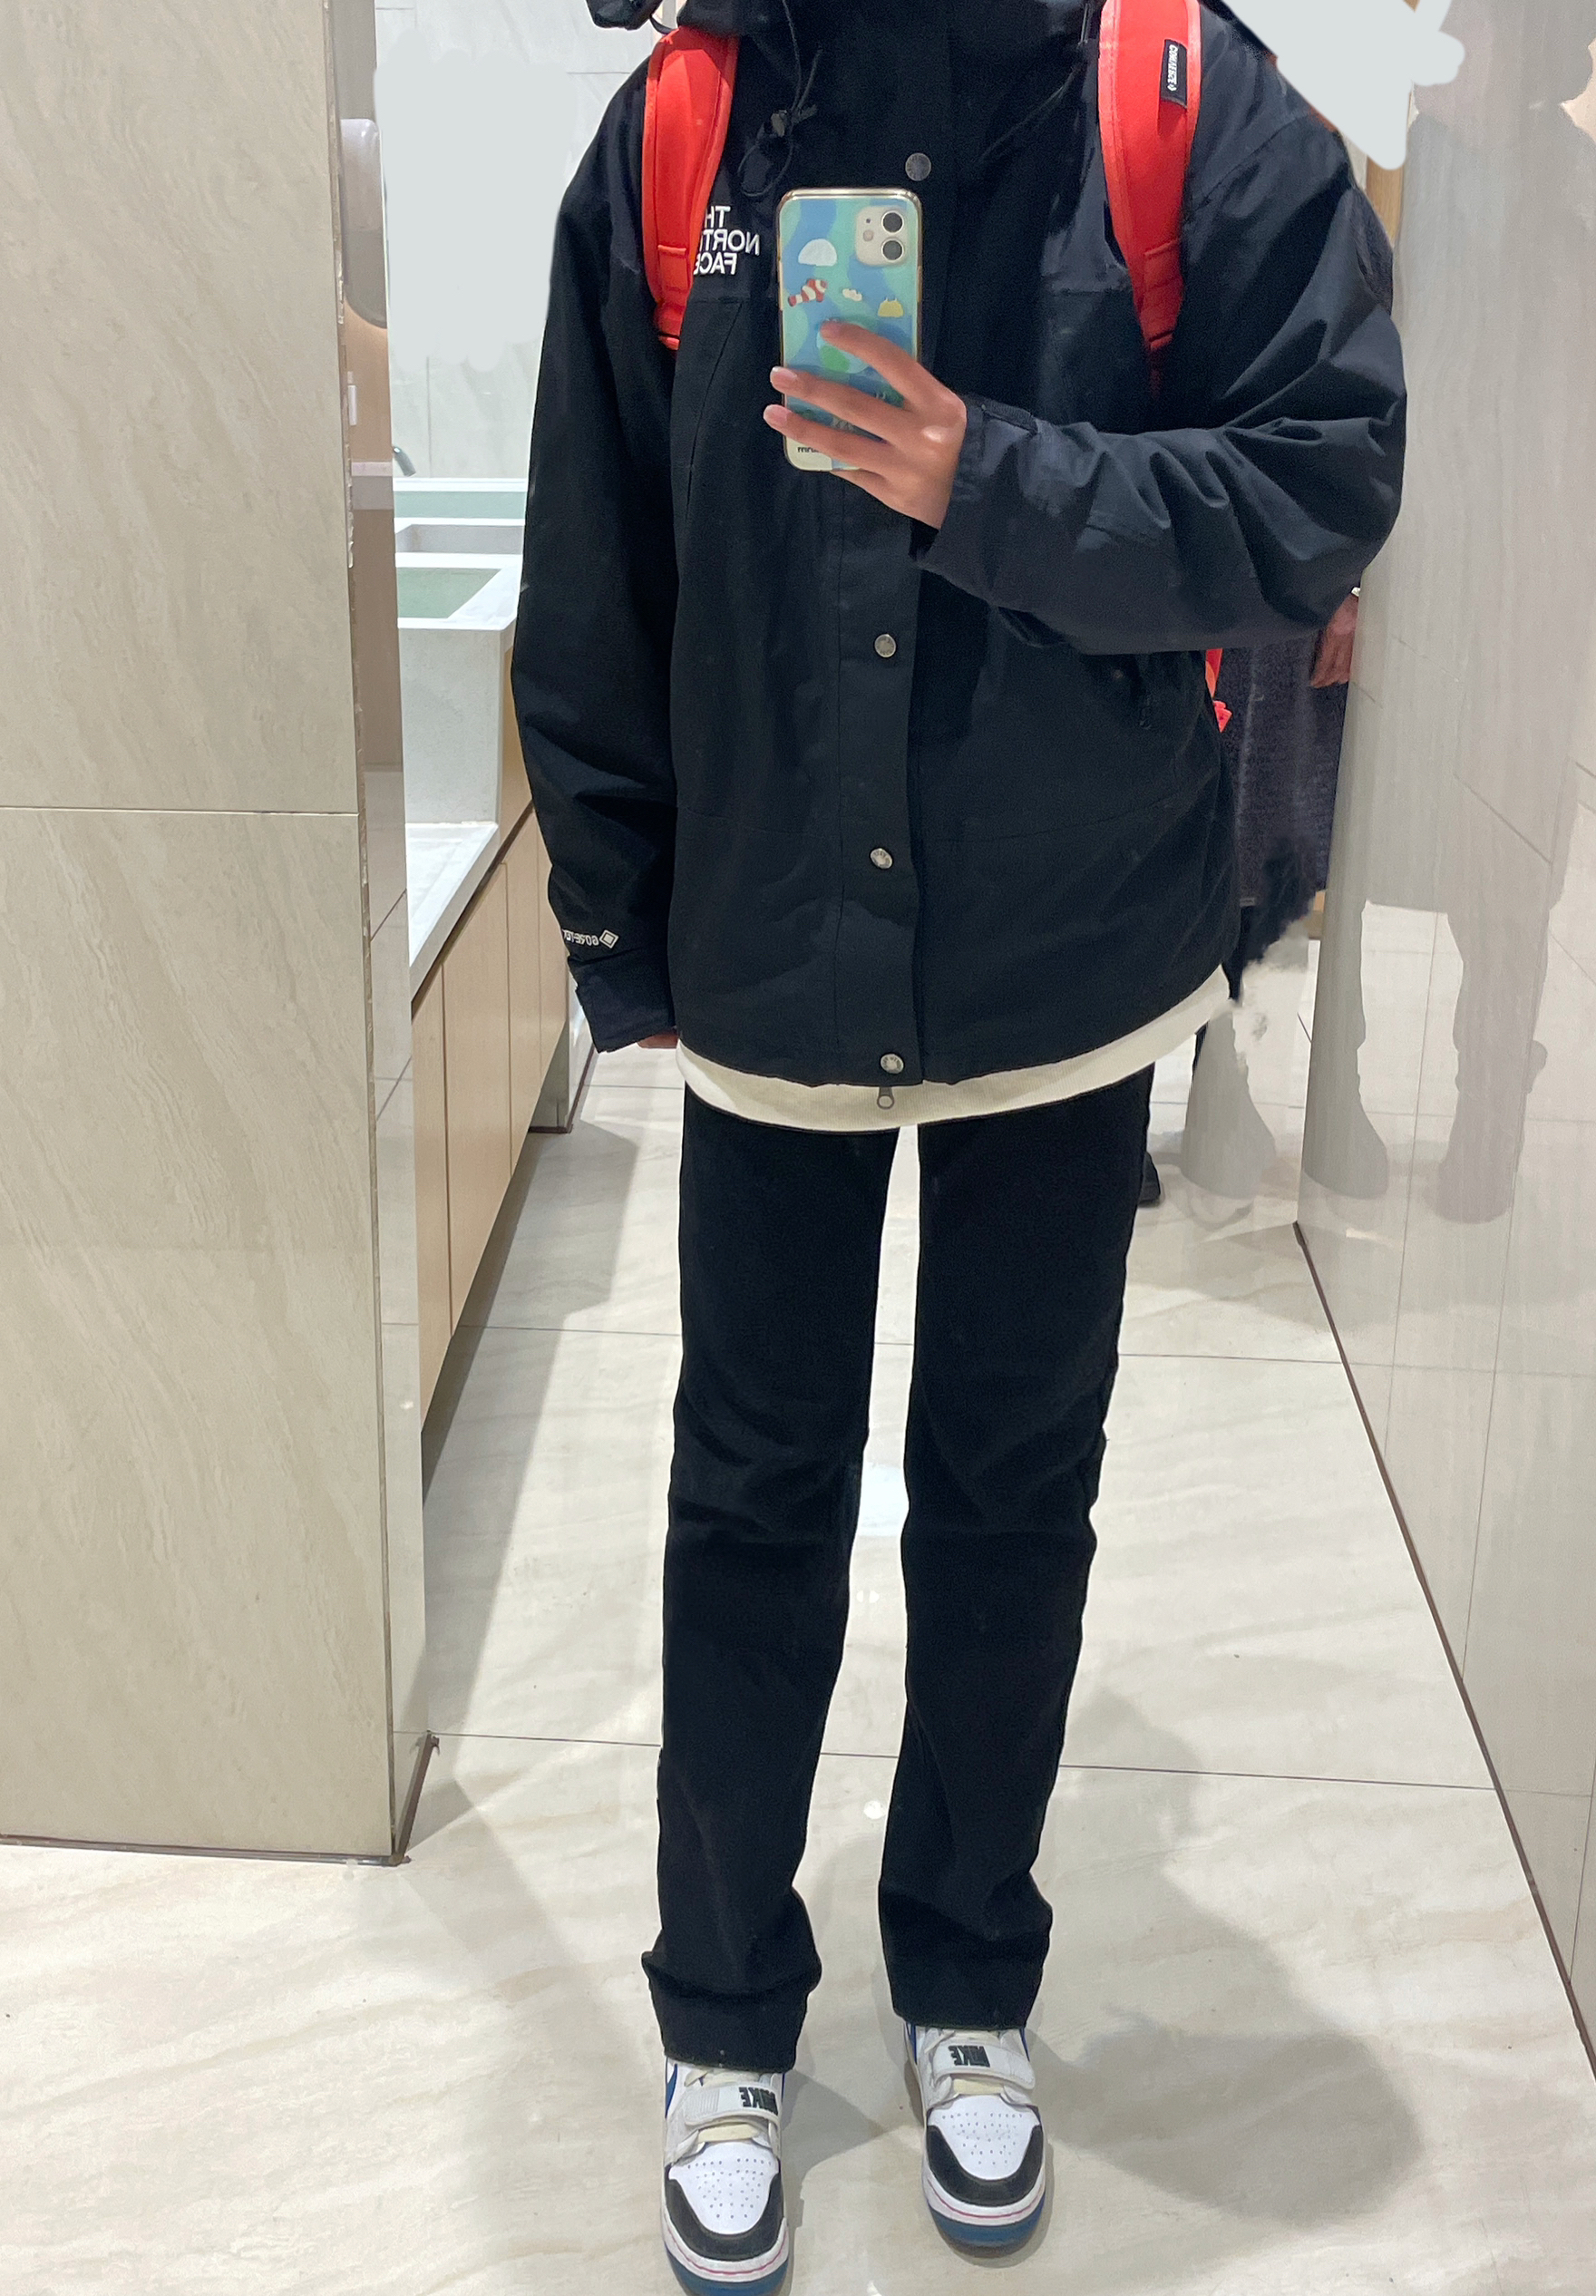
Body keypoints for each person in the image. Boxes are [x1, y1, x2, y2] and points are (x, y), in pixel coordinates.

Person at [513, 3, 1404, 2284]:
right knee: (752, 1499)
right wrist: (619, 912)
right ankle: (726, 2016)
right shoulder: (684, 124)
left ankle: (968, 1979)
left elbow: (1316, 487)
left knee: (1010, 1496)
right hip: (774, 961)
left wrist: (978, 478)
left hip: (1063, 967)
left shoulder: (1175, 98)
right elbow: (594, 559)